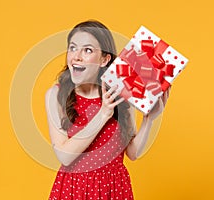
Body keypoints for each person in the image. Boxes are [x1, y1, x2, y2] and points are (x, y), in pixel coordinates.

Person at [45, 20, 169, 200]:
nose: (76, 56)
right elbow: (64, 156)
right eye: (72, 48)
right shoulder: (56, 95)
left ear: (105, 59)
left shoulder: (121, 92)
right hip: (75, 189)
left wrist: (149, 119)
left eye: (87, 50)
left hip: (114, 188)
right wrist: (103, 114)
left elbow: (132, 153)